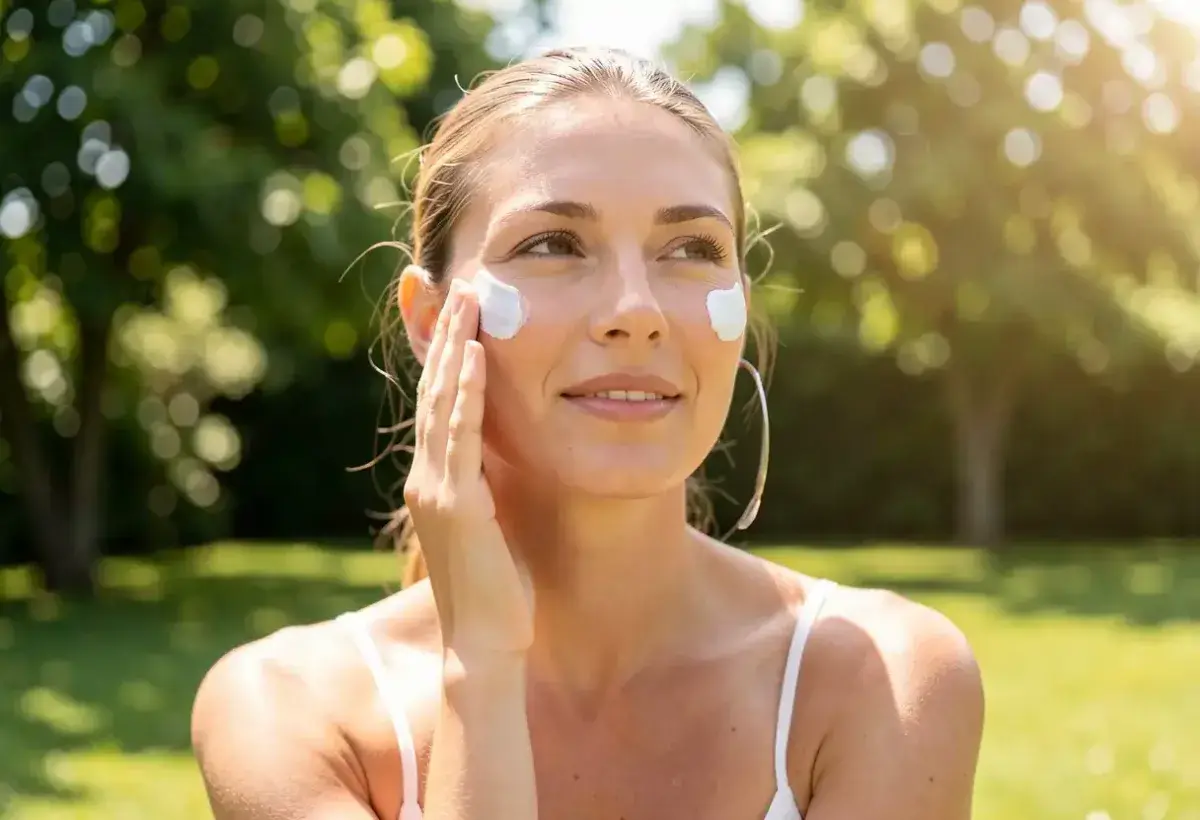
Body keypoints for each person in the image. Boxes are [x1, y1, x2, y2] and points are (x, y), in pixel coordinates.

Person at [191, 47, 985, 820]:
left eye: (690, 249)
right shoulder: (285, 712)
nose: (636, 312)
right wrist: (482, 664)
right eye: (553, 244)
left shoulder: (887, 680)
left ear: (740, 308)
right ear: (433, 320)